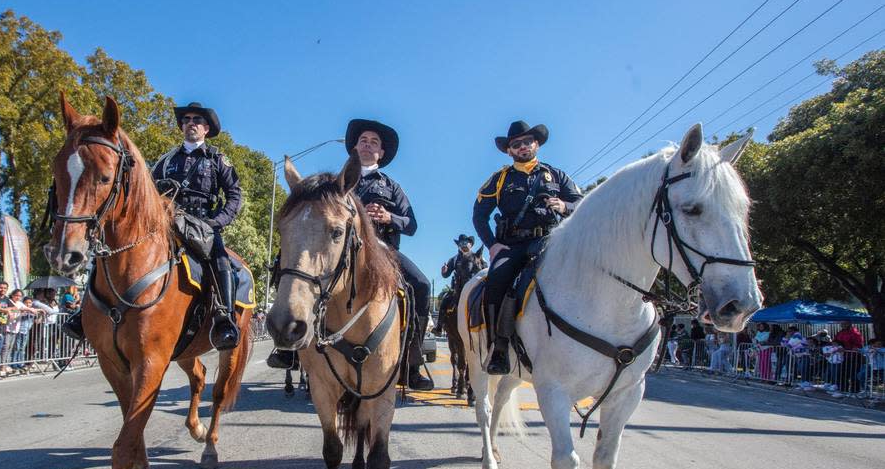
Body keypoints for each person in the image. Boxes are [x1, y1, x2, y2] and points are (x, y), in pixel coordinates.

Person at [62, 101, 243, 351]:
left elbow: (234, 196)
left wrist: (217, 222)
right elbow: (145, 191)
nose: (191, 123)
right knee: (109, 252)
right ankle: (84, 314)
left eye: (197, 120)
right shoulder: (165, 160)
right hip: (166, 222)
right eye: (187, 119)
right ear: (181, 126)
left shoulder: (217, 160)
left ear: (206, 129)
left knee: (221, 260)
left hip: (203, 226)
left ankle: (225, 318)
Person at [268, 119, 434, 390]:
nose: (368, 145)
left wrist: (389, 216)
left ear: (381, 153)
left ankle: (412, 363)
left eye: (374, 143)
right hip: (337, 249)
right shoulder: (333, 184)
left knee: (421, 285)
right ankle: (287, 346)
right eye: (363, 141)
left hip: (381, 251)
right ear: (354, 148)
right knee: (288, 266)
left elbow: (411, 224)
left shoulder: (392, 187)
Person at [473, 120, 583, 374]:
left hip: (550, 241)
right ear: (509, 151)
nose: (522, 147)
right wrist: (492, 245)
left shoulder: (556, 175)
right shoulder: (499, 179)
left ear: (536, 144)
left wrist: (566, 207)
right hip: (512, 245)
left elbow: (580, 202)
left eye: (527, 142)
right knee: (496, 280)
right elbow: (479, 215)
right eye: (516, 144)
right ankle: (498, 348)